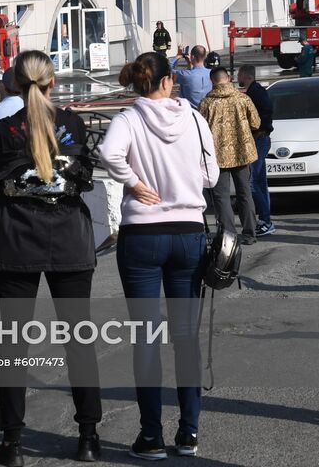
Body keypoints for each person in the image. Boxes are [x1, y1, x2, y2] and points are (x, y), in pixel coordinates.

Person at [99, 51, 219, 459]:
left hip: (142, 235)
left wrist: (134, 183)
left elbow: (108, 154)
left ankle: (150, 435)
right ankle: (189, 432)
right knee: (186, 338)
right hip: (188, 232)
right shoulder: (195, 119)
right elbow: (211, 175)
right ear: (168, 80)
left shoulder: (128, 119)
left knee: (146, 338)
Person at [0, 50, 101, 465]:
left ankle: (13, 442)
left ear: (14, 83)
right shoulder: (70, 123)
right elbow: (85, 179)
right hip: (68, 238)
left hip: (18, 240)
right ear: (52, 82)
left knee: (14, 344)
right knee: (80, 341)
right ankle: (88, 436)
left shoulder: (2, 130)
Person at [199, 68, 260, 244]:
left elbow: (200, 130)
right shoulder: (243, 99)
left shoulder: (206, 103)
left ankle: (229, 235)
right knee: (245, 193)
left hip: (217, 156)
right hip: (242, 152)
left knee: (221, 197)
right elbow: (256, 122)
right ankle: (249, 233)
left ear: (212, 81)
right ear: (229, 79)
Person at [237, 66, 276, 237]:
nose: (237, 77)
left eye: (238, 75)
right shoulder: (256, 91)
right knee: (260, 182)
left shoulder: (255, 93)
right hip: (261, 139)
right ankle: (265, 220)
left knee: (252, 182)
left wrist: (260, 128)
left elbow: (264, 113)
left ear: (245, 76)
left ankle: (265, 221)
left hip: (259, 139)